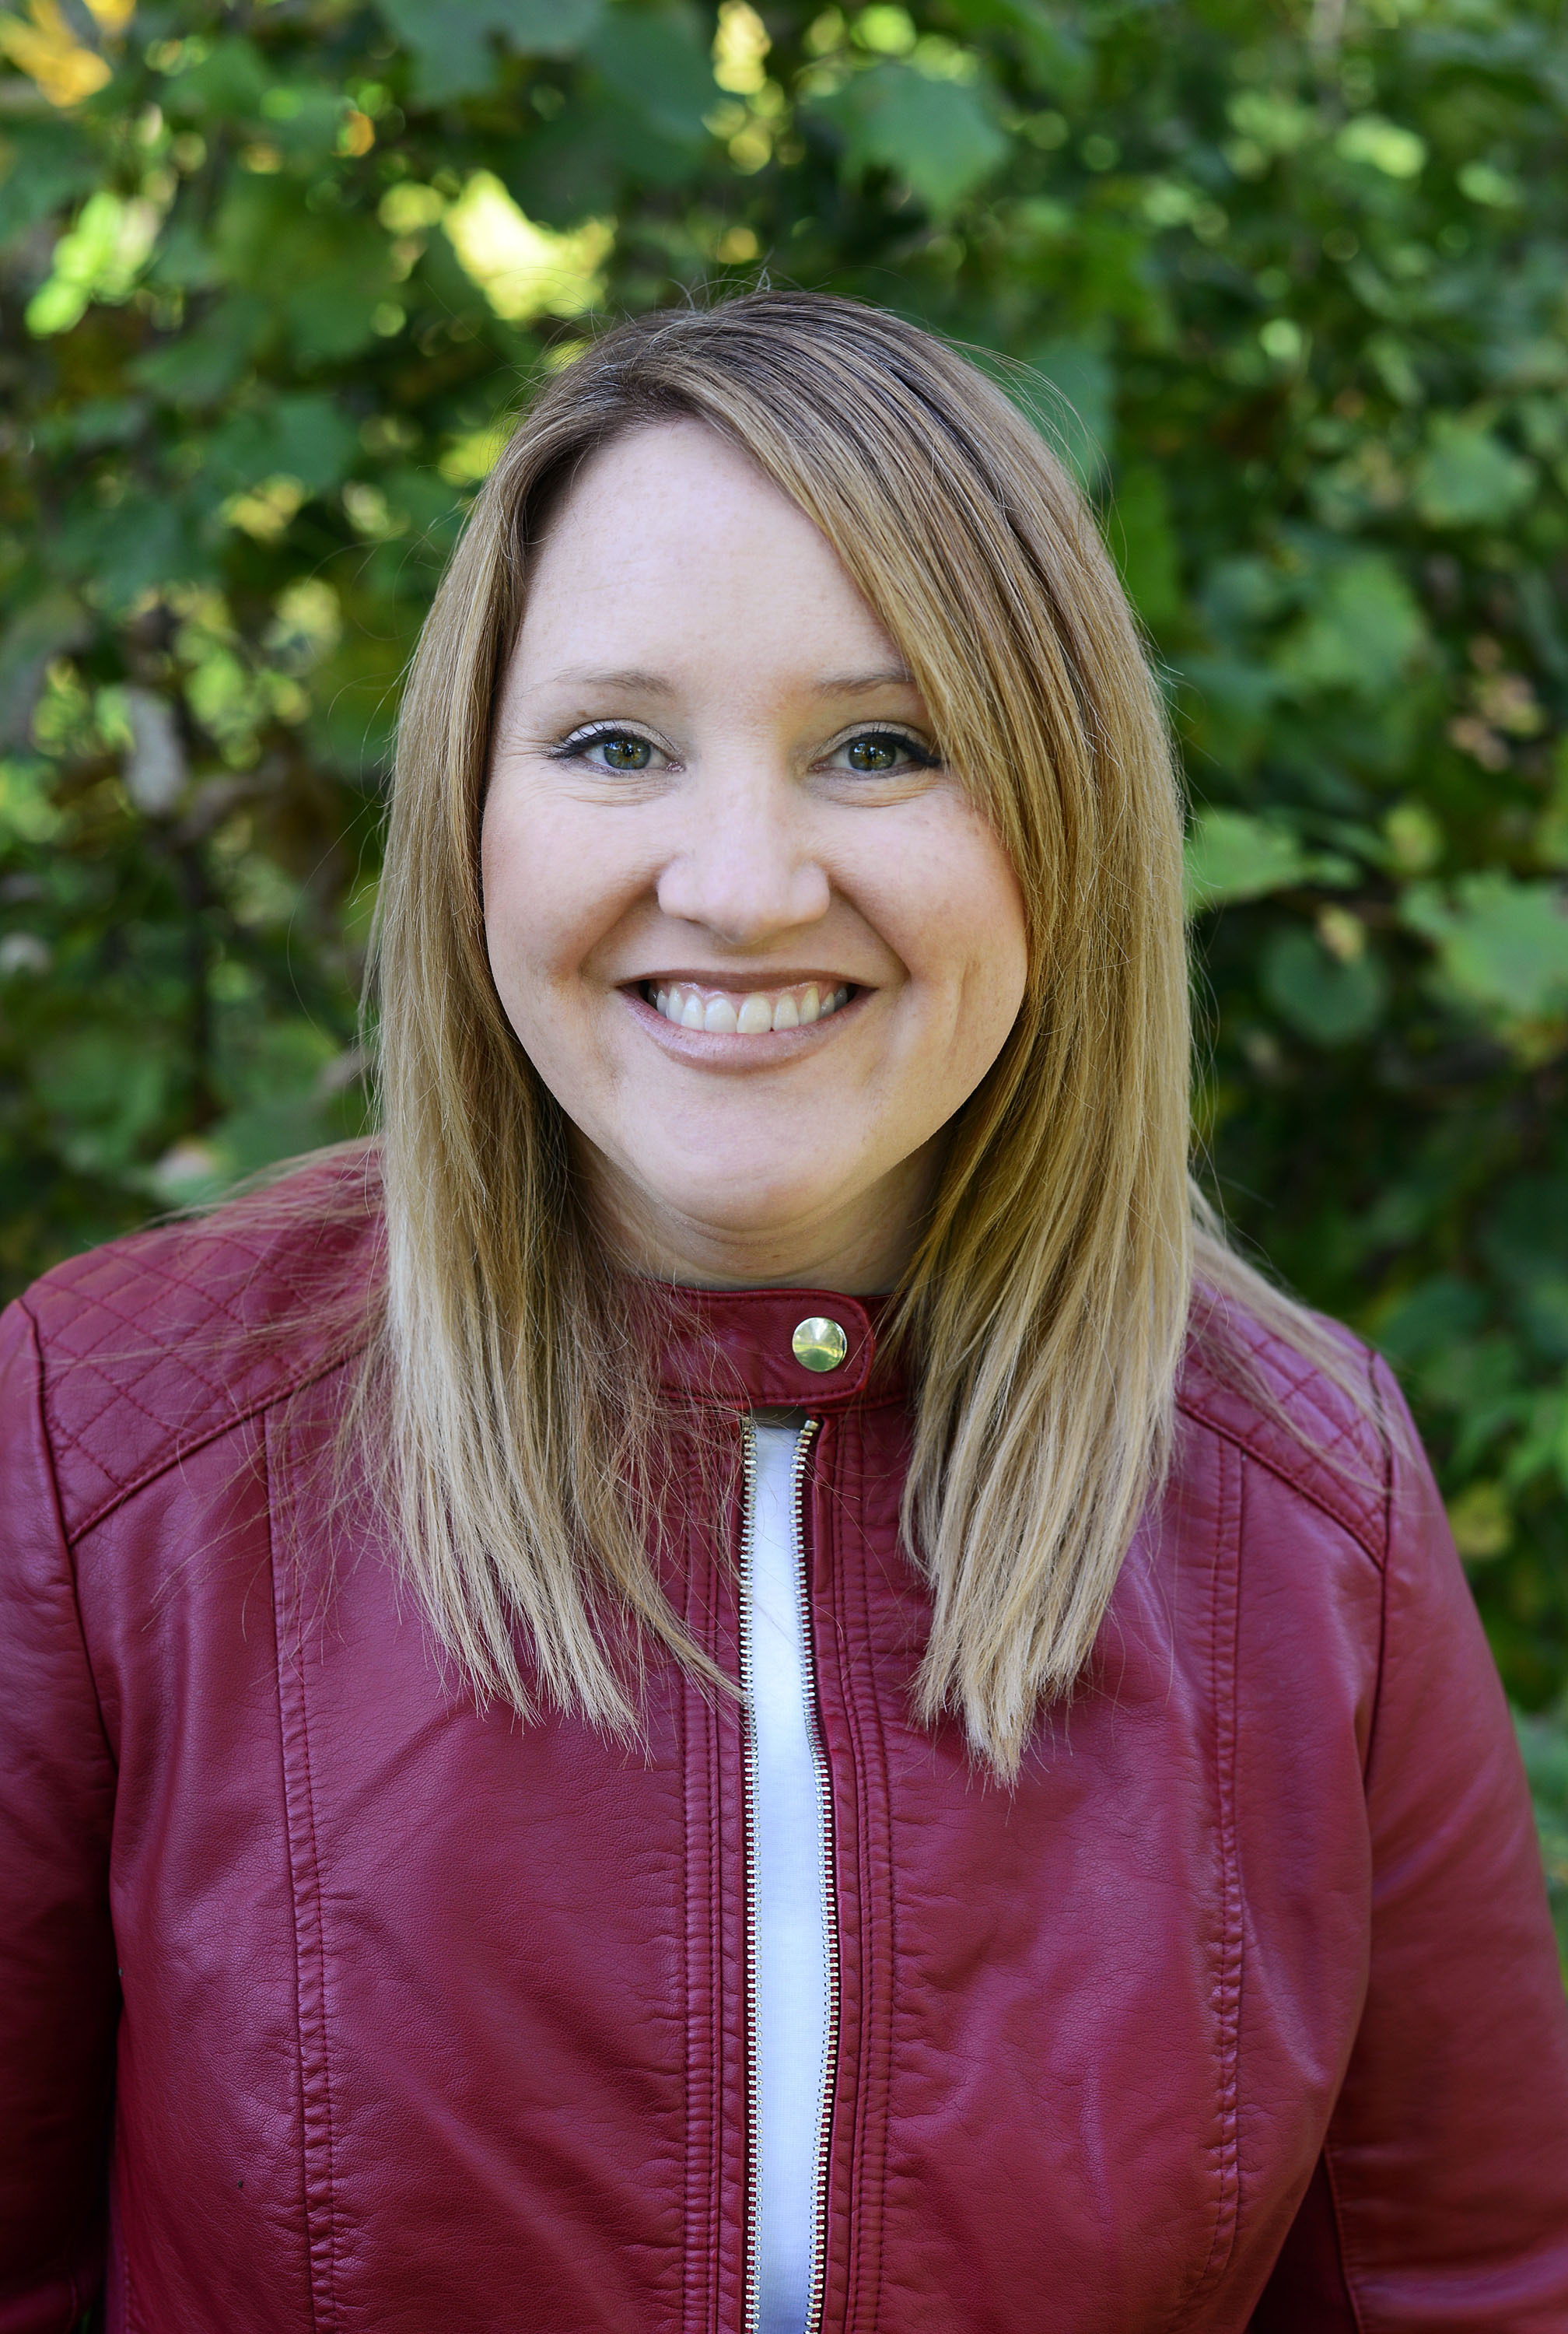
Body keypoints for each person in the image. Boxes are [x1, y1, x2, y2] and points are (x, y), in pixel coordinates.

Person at [2, 292, 1565, 2334]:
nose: (741, 881)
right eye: (615, 743)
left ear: (1064, 821)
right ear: (476, 808)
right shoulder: (110, 1443)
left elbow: (1471, 2297)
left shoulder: (1305, 1500)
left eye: (883, 746)